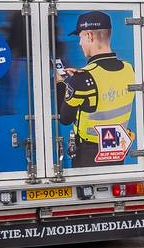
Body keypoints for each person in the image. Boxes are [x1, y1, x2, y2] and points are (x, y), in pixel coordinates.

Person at [56, 12, 136, 168]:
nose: (80, 43)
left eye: (80, 37)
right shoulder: (129, 69)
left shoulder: (82, 78)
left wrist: (61, 84)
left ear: (89, 36)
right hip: (116, 150)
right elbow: (105, 84)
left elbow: (65, 118)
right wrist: (78, 81)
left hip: (89, 155)